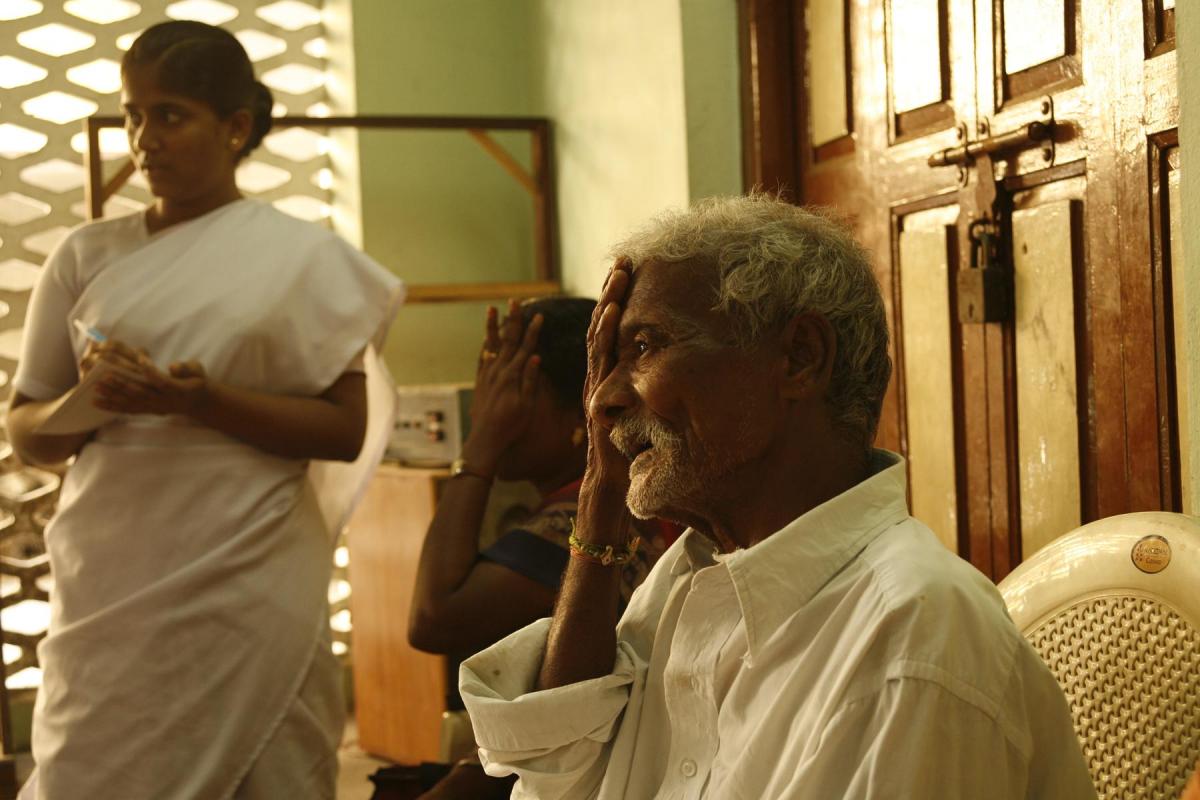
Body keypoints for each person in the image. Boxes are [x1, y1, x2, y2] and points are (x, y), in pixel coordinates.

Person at [458, 195, 1097, 798]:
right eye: (609, 363)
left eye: (645, 348)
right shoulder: (692, 577)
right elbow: (560, 772)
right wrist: (602, 496)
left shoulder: (912, 632)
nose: (601, 397)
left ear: (798, 357)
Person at [5, 21, 402, 799]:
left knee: (270, 761)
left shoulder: (302, 258)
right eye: (133, 115)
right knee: (93, 766)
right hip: (114, 565)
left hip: (249, 562)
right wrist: (87, 405)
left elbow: (346, 428)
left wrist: (201, 401)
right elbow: (27, 433)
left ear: (237, 126)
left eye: (171, 114)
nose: (144, 139)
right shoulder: (85, 255)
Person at [405, 297, 665, 800]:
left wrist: (480, 446)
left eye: (510, 390)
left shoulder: (594, 512)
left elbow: (433, 618)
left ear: (582, 408)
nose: (487, 407)